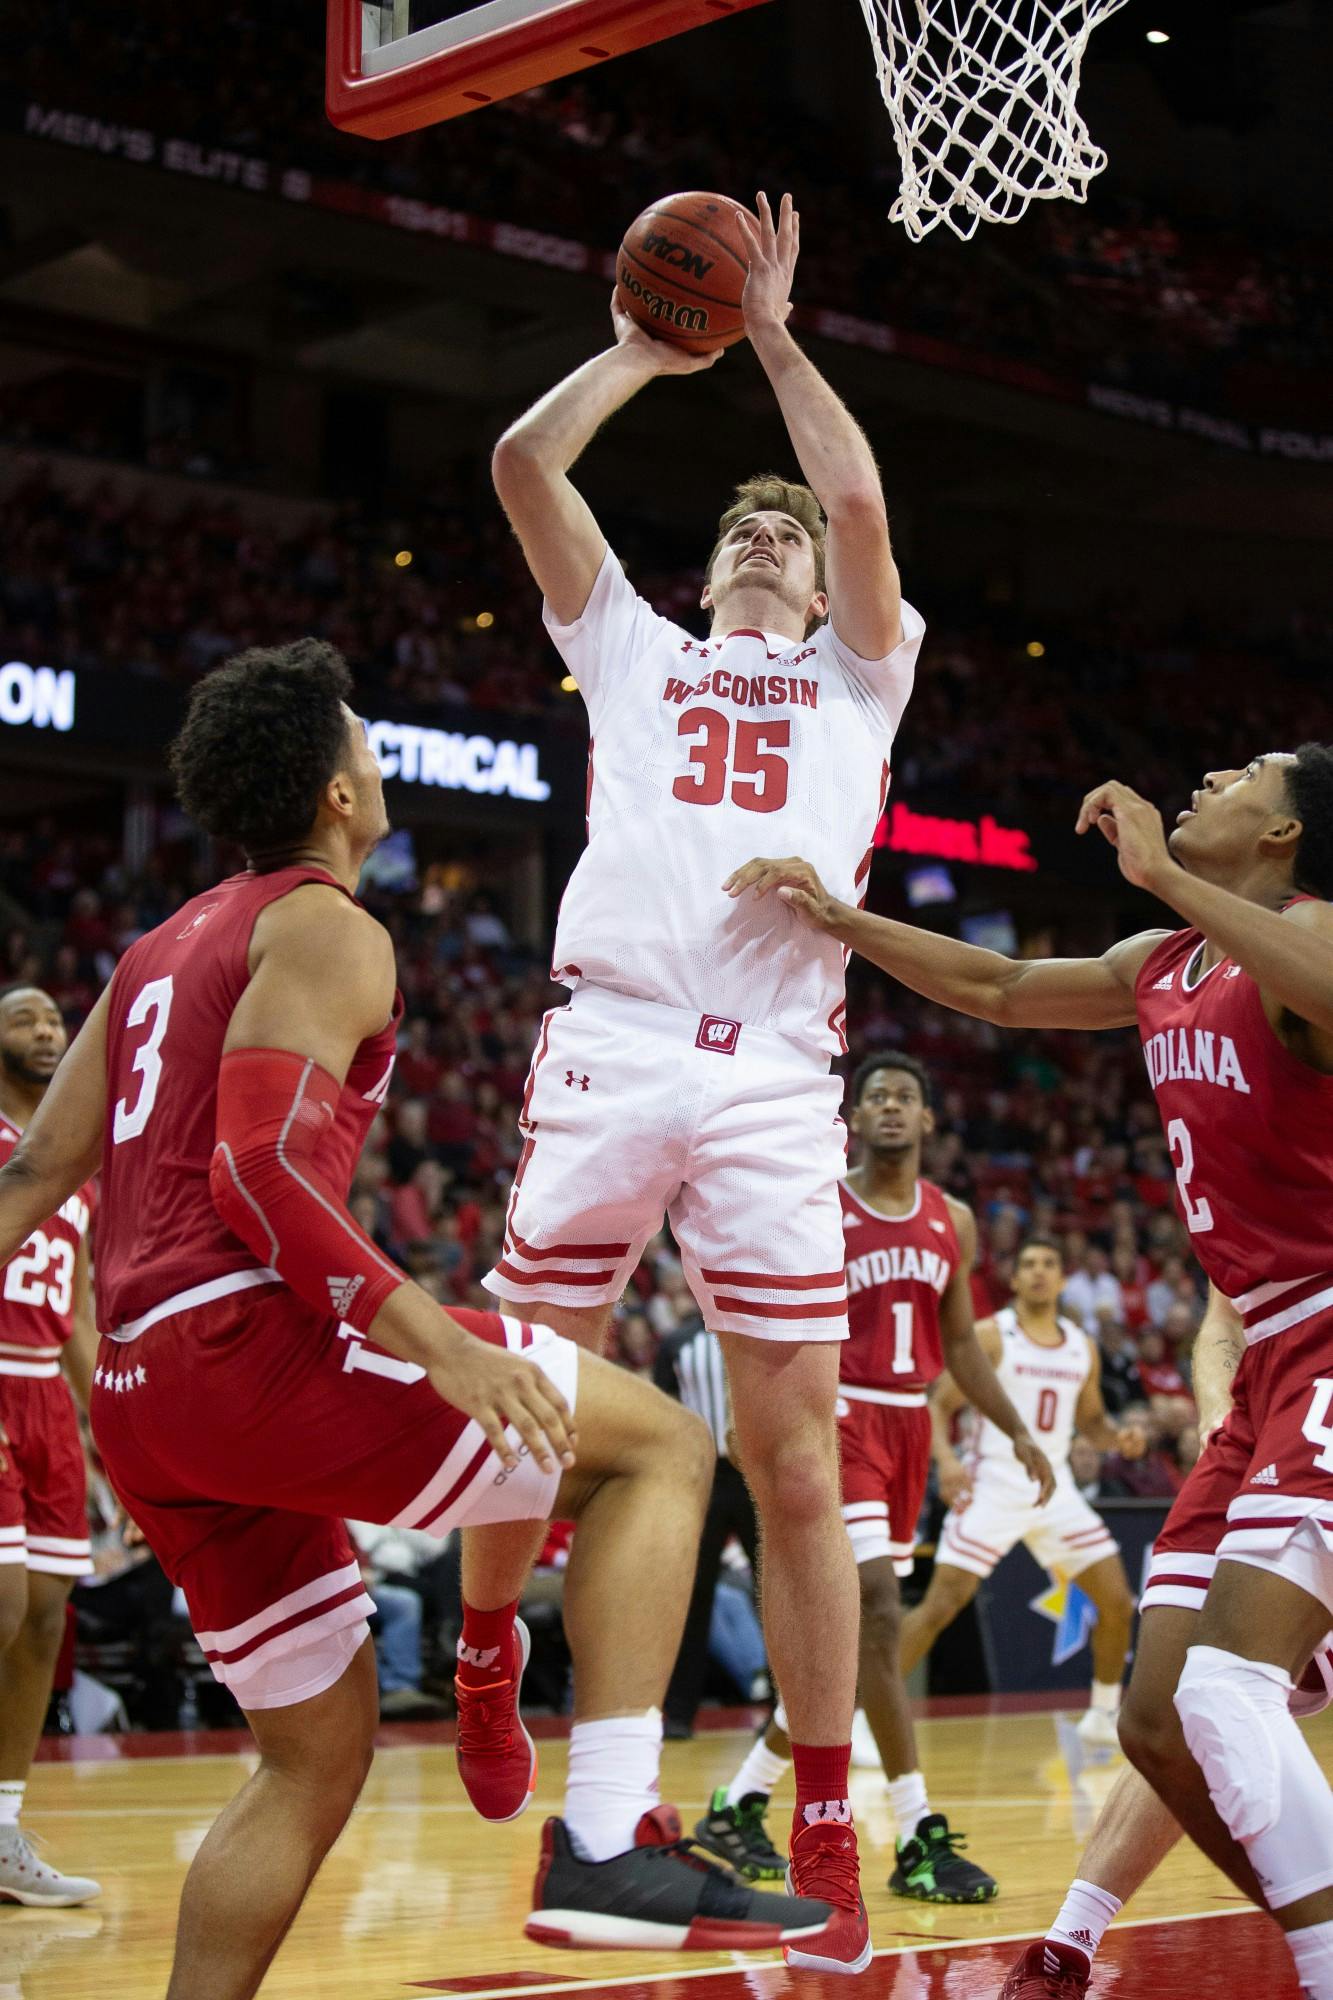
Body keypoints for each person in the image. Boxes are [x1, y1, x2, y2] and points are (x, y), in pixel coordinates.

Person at [0, 646, 834, 2000]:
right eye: (369, 747)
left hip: (145, 1406)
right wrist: (438, 1338)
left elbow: (35, 1176)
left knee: (311, 1761)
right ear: (337, 790)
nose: (381, 766)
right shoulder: (325, 923)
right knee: (663, 1451)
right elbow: (254, 1170)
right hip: (243, 1340)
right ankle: (610, 1842)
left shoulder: (150, 955)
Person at [478, 191, 925, 1972]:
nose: (759, 537)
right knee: (534, 1396)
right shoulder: (635, 651)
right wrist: (647, 350)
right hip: (609, 1039)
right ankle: (488, 1644)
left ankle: (821, 1794)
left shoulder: (860, 681)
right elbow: (522, 463)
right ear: (702, 569)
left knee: (791, 1462)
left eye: (781, 532)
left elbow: (864, 500)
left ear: (816, 584)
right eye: (736, 526)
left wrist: (773, 334)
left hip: (770, 1086)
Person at [726, 741, 1333, 2000]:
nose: (1214, 773)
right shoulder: (1163, 965)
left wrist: (1162, 871)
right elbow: (1000, 984)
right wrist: (842, 919)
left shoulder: (1305, 937)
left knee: (1224, 1694)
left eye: (1250, 774)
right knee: (1159, 1719)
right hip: (1267, 1351)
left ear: (1284, 837)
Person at [696, 1053, 1054, 1901]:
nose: (890, 1106)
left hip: (906, 1428)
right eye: (876, 1097)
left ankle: (739, 1802)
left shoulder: (951, 1220)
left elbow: (961, 1342)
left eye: (906, 1096)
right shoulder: (825, 1202)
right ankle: (916, 1834)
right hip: (837, 1416)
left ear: (929, 1120)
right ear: (852, 1118)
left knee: (847, 1641)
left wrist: (1013, 1430)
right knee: (877, 1619)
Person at [899, 1236, 1140, 1750]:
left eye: (1048, 1263)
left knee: (1118, 1602)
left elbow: (1092, 1422)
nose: (1037, 1271)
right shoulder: (991, 1335)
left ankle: (1101, 1714)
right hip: (993, 1487)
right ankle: (862, 1718)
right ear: (1014, 1279)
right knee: (940, 1606)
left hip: (1057, 1492)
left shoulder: (1081, 1345)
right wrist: (946, 1464)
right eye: (1028, 1263)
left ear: (1061, 1278)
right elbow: (938, 1407)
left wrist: (1119, 1438)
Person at [0, 985, 100, 1906]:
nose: (45, 1032)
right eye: (24, 1019)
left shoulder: (71, 1165)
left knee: (42, 1619)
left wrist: (105, 1417)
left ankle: (1, 1831)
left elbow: (71, 1308)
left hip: (45, 1398)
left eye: (54, 1022)